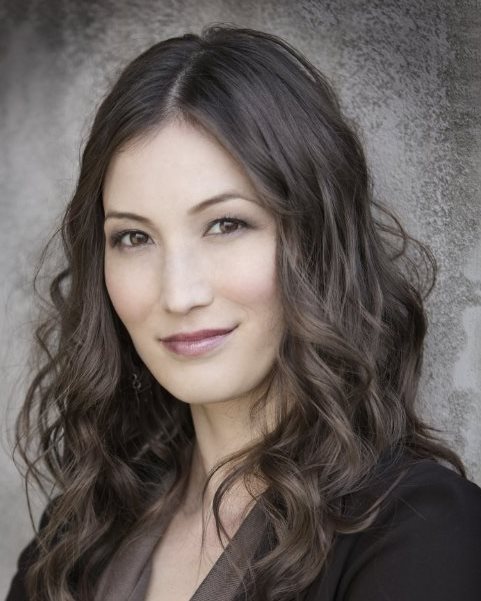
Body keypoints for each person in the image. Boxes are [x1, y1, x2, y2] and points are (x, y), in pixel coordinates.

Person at [6, 23, 481, 601]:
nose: (178, 295)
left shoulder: (421, 531)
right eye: (134, 237)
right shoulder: (78, 535)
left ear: (314, 239)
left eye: (226, 224)